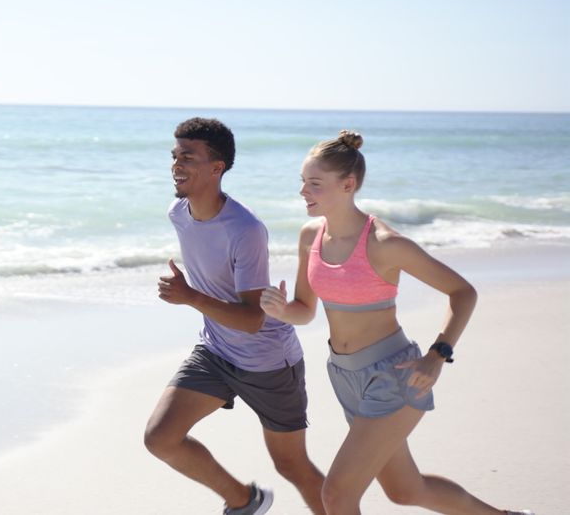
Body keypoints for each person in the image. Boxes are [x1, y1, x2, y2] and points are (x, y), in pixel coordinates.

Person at [259, 130, 534, 515]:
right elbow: (304, 309)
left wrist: (437, 355)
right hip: (344, 375)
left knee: (336, 495)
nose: (304, 191)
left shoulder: (385, 244)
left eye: (315, 184)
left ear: (348, 184)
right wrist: (279, 309)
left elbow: (462, 292)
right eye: (303, 182)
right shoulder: (311, 236)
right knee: (406, 490)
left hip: (394, 375)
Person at [145, 117, 326, 515]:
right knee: (161, 438)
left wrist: (189, 295)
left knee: (292, 465)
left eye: (187, 157)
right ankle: (245, 502)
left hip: (268, 363)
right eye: (174, 156)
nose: (176, 164)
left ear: (217, 168)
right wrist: (194, 295)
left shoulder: (246, 230)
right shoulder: (178, 212)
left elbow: (251, 320)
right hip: (215, 350)